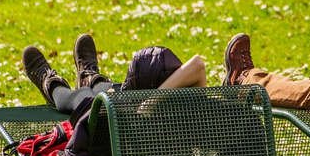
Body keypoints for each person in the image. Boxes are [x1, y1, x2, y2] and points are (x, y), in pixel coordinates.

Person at [21, 34, 207, 114]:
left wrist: (149, 103)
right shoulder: (199, 115)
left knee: (82, 99)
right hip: (132, 101)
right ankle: (91, 78)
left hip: (113, 122)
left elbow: (197, 64)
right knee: (113, 90)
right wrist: (153, 99)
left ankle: (51, 84)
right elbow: (198, 64)